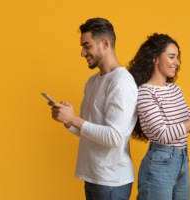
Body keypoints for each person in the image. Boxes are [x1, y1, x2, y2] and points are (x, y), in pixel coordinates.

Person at [127, 33, 190, 200]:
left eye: (177, 58)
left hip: (182, 160)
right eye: (172, 57)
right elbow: (163, 135)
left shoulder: (175, 90)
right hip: (159, 163)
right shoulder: (145, 92)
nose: (177, 62)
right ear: (155, 59)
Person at [48, 18, 138, 200]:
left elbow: (114, 137)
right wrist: (68, 120)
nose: (82, 53)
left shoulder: (121, 82)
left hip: (112, 181)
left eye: (87, 46)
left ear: (105, 43)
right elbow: (88, 130)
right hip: (93, 176)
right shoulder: (92, 81)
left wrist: (74, 119)